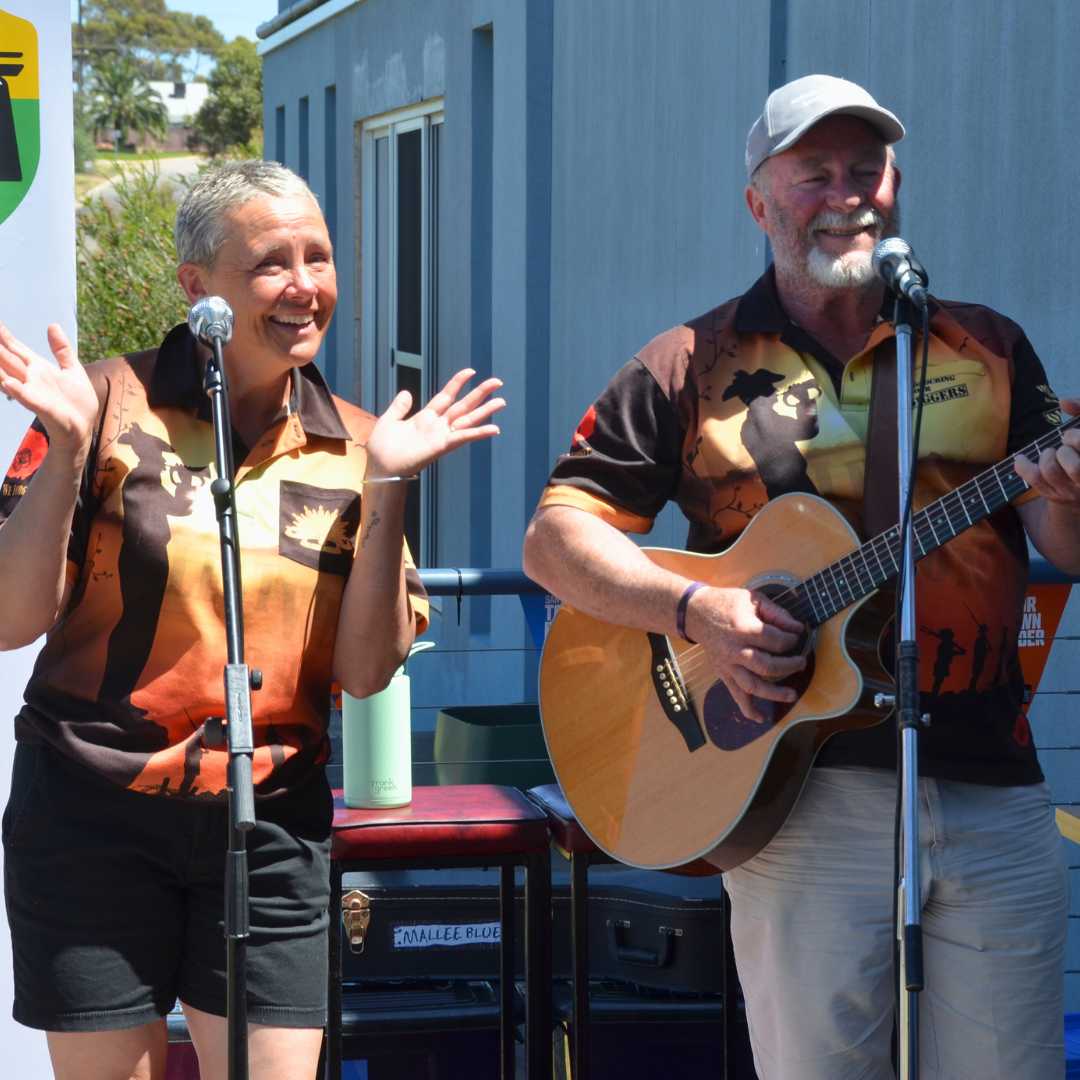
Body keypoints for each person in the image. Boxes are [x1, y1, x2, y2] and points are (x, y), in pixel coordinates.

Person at [523, 74, 1080, 1079]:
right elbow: (556, 541)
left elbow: (1066, 543)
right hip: (800, 800)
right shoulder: (690, 362)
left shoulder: (989, 348)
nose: (847, 193)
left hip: (991, 784)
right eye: (814, 172)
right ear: (758, 202)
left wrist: (1068, 487)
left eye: (867, 169)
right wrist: (698, 609)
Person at [0, 160, 504, 1080]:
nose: (305, 285)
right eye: (271, 262)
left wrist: (392, 481)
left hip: (270, 822)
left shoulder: (359, 443)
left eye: (319, 257)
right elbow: (10, 619)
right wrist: (67, 453)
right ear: (197, 286)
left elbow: (365, 673)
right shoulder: (99, 405)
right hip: (89, 812)